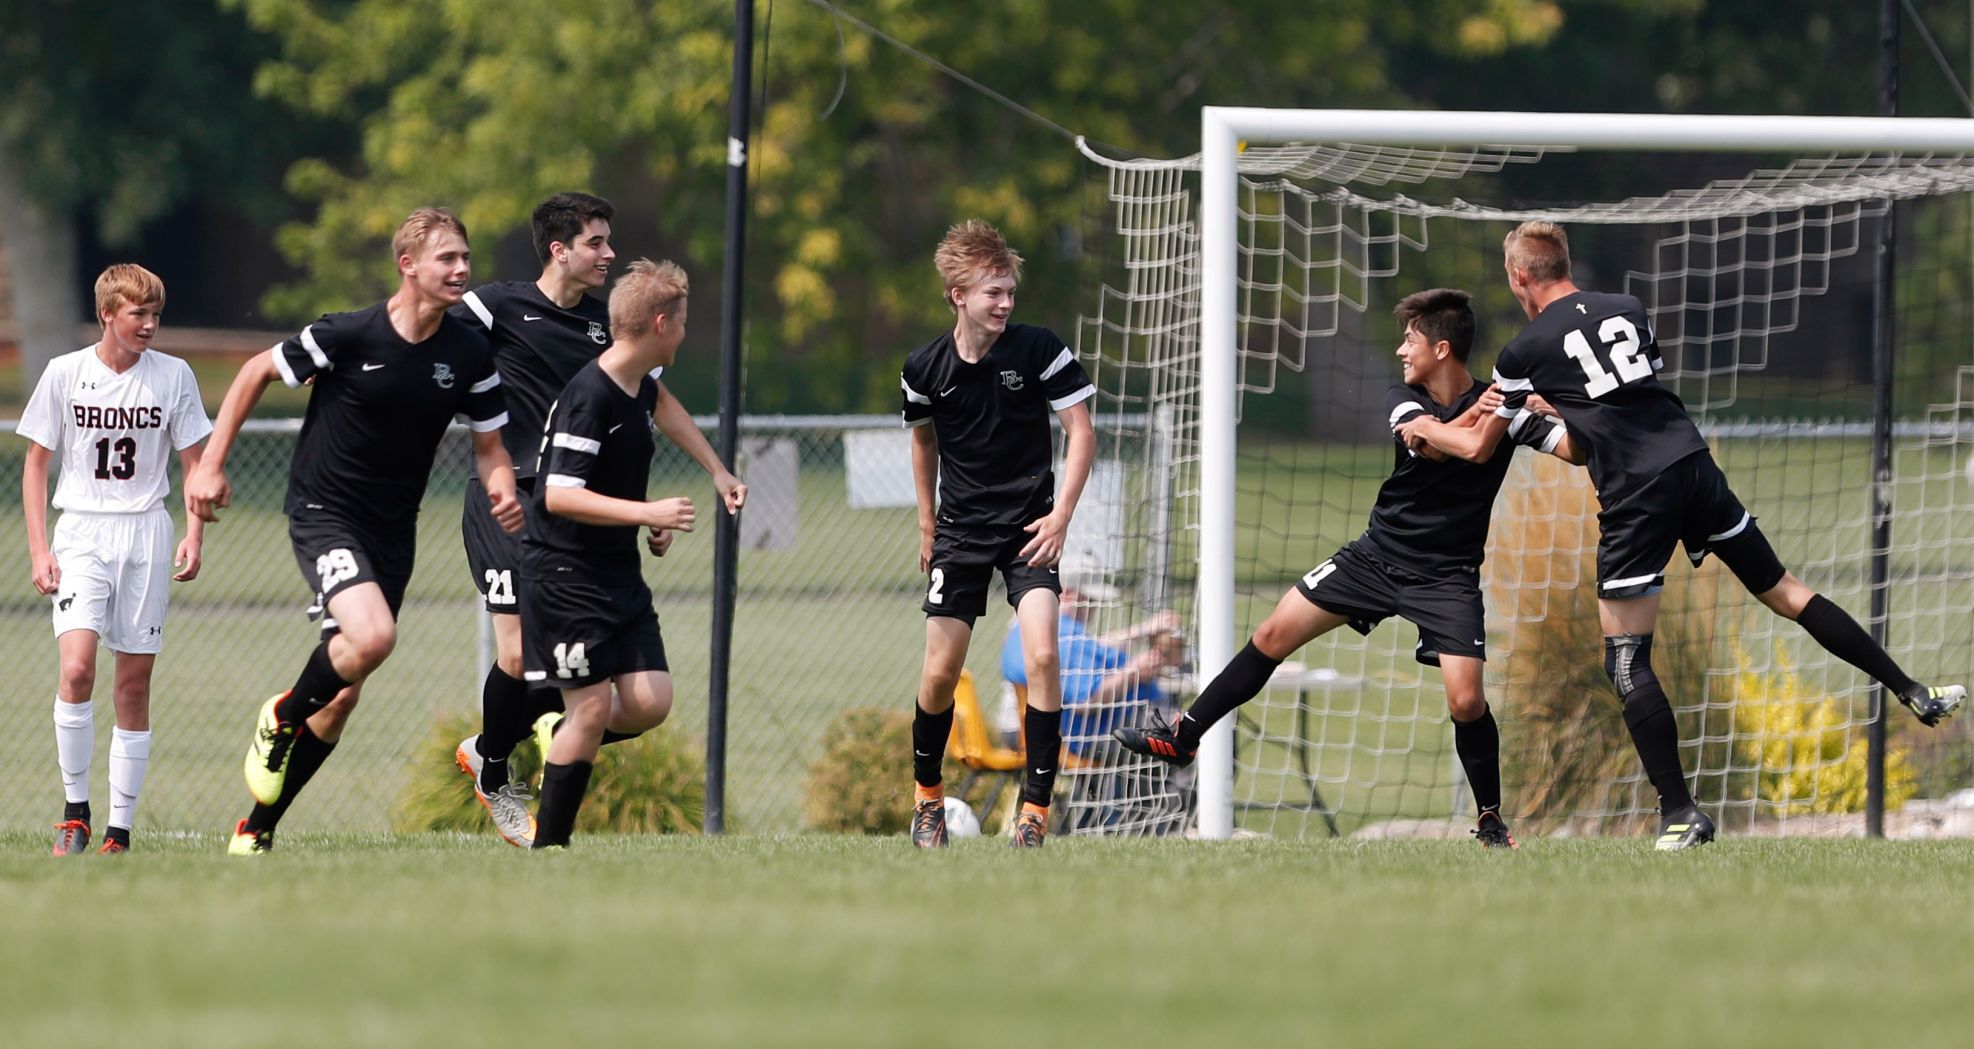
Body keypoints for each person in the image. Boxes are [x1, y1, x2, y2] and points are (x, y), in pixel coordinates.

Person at [1432, 219, 1965, 850]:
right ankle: (1913, 690)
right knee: (1787, 592)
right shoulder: (1627, 308)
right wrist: (1554, 415)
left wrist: (1438, 425)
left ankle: (1681, 812)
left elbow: (1480, 443)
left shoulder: (1520, 354)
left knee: (1625, 656)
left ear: (1519, 276)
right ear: (1564, 262)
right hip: (1691, 463)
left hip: (1636, 493)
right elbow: (1620, 406)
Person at [1115, 288, 1584, 848]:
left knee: (1466, 700)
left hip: (1447, 576)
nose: (1400, 350)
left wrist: (1560, 403)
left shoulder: (1503, 404)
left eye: (1410, 340)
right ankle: (1185, 735)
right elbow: (1446, 445)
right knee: (1269, 633)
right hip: (1374, 557)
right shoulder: (1402, 396)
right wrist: (1481, 415)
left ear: (1441, 347)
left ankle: (1489, 820)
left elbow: (1573, 451)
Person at [186, 208, 521, 855]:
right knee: (373, 636)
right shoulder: (350, 333)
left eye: (466, 257)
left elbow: (490, 448)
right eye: (447, 258)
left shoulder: (469, 351)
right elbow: (256, 371)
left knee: (340, 700)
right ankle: (281, 715)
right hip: (324, 511)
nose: (462, 269)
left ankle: (256, 827)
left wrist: (502, 482)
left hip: (393, 531)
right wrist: (209, 466)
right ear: (408, 265)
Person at [448, 192, 742, 847]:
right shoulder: (495, 305)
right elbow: (422, 332)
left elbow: (653, 402)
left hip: (578, 510)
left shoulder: (610, 329)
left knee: (599, 688)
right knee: (522, 655)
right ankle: (494, 768)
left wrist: (710, 470)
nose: (609, 253)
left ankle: (525, 742)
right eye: (597, 242)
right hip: (508, 499)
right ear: (560, 249)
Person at [901, 219, 1096, 848]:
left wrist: (1061, 515)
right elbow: (923, 440)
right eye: (994, 293)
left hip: (1030, 530)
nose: (1006, 303)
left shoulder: (1039, 349)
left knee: (1042, 654)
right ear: (959, 295)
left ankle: (1034, 813)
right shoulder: (924, 367)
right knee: (940, 672)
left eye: (1010, 291)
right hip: (958, 532)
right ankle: (927, 798)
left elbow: (1081, 433)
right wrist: (928, 521)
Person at [19, 264, 213, 855]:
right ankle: (75, 812)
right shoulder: (65, 373)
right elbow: (34, 465)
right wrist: (39, 548)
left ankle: (119, 832)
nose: (150, 325)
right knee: (77, 669)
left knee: (132, 685)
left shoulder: (174, 376)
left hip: (146, 534)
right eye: (139, 314)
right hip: (82, 532)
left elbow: (194, 466)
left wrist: (194, 533)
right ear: (108, 314)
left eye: (155, 314)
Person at [523, 258, 712, 849]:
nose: (685, 334)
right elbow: (558, 494)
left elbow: (612, 478)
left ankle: (560, 733)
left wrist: (647, 520)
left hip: (616, 574)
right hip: (565, 576)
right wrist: (647, 514)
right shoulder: (591, 396)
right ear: (661, 324)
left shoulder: (638, 386)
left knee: (651, 700)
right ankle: (549, 848)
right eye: (681, 323)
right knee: (592, 708)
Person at [1000, 563, 1183, 762]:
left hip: (1021, 727)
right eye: (1090, 600)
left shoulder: (1033, 622)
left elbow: (1096, 644)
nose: (1093, 609)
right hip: (1061, 737)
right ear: (1068, 594)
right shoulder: (1067, 636)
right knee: (1158, 740)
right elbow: (1087, 701)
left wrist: (1143, 630)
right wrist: (1133, 672)